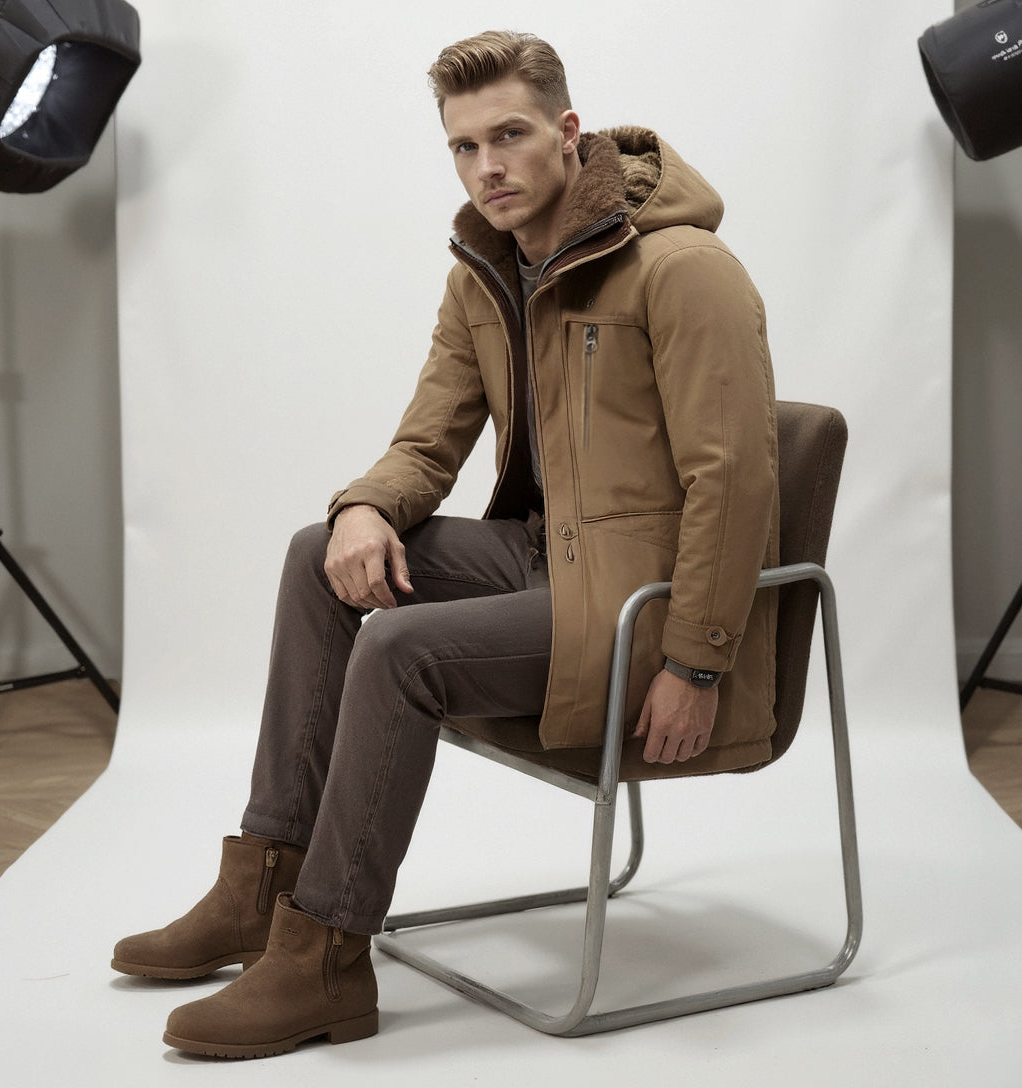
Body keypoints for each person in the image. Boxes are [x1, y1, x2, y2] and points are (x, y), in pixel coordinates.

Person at [112, 29, 779, 1060]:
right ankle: (264, 885)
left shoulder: (683, 268)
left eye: (508, 136)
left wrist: (694, 660)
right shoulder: (486, 271)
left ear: (567, 131)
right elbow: (429, 438)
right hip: (547, 560)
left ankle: (328, 953)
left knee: (400, 647)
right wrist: (366, 507)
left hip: (642, 605)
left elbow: (733, 481)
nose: (486, 167)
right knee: (317, 555)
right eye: (464, 147)